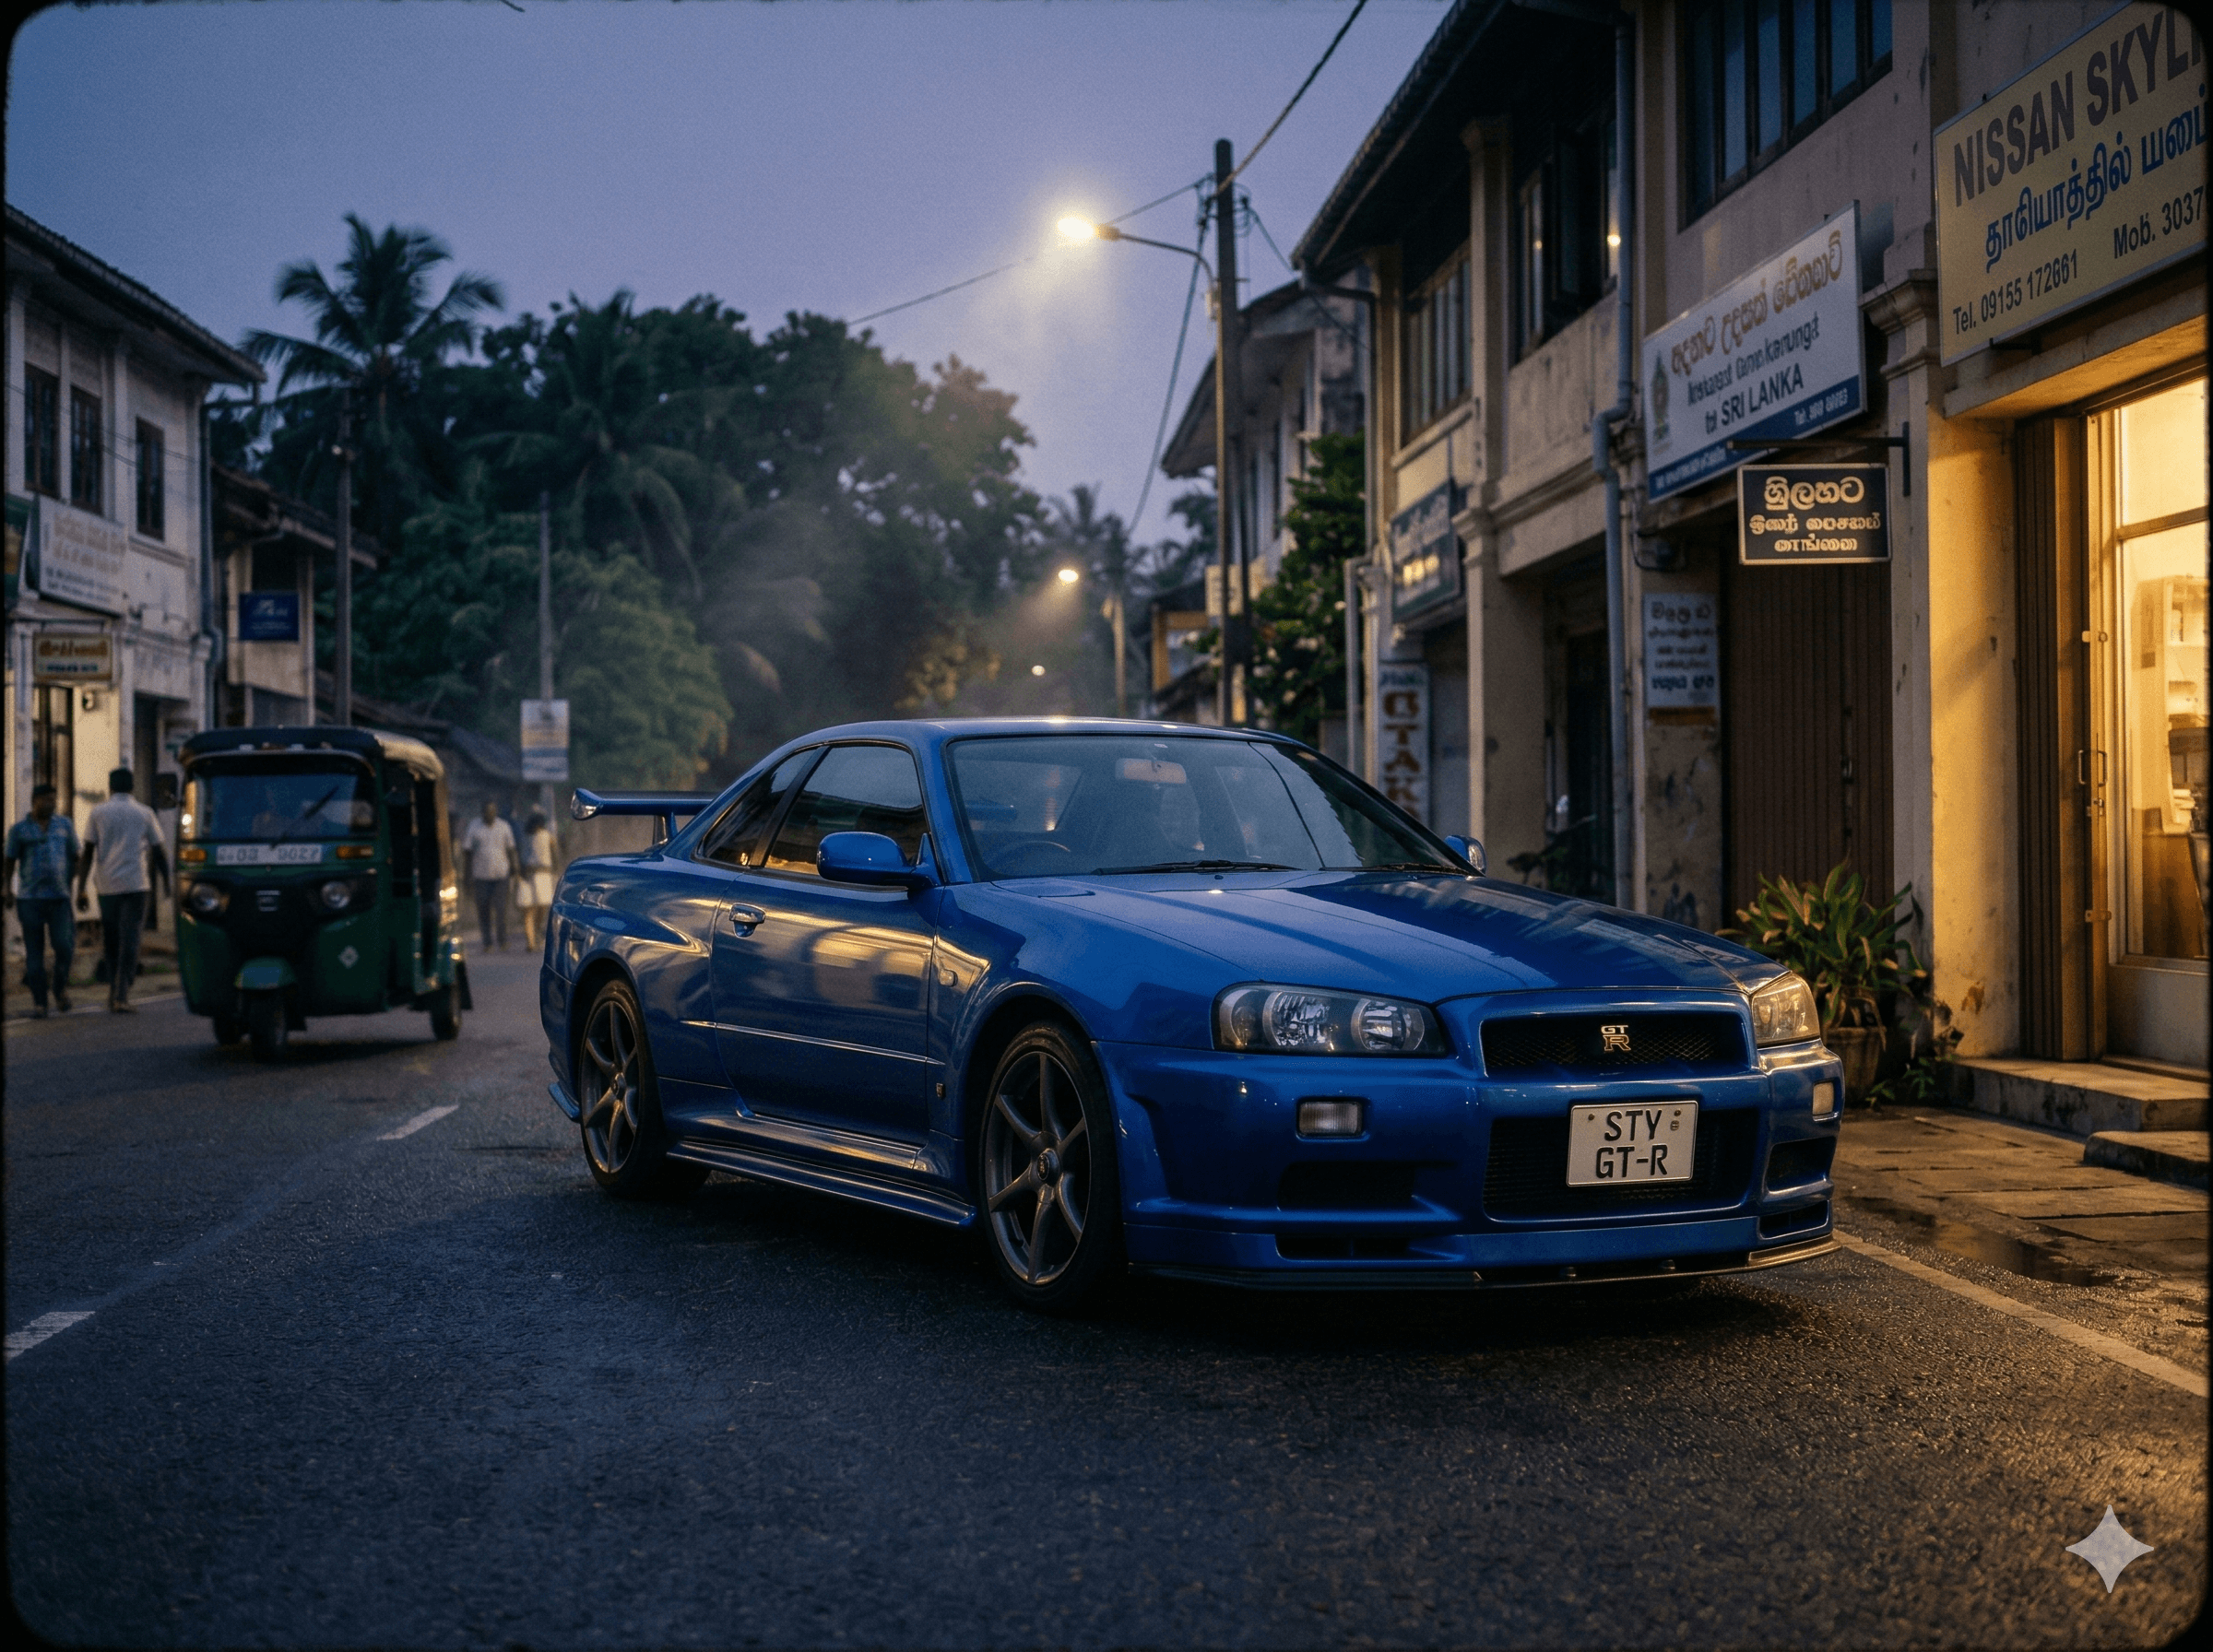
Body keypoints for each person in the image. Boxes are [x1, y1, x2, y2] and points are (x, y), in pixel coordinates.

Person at [76, 767, 170, 1014]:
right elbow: (159, 852)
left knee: (112, 940)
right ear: (132, 787)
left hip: (107, 887)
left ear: (110, 786)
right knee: (131, 940)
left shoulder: (98, 812)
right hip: (136, 885)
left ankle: (114, 992)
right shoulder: (145, 813)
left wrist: (81, 888)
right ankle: (121, 994)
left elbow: (87, 852)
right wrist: (168, 884)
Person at [5, 784, 82, 1018]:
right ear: (34, 801)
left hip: (59, 898)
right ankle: (40, 1002)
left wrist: (71, 884)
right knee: (34, 954)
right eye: (46, 800)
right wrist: (6, 888)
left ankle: (59, 989)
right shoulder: (19, 830)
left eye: (53, 800)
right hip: (30, 899)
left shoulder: (64, 825)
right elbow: (9, 861)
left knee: (64, 947)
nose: (51, 804)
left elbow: (75, 856)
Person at [459, 799, 518, 951]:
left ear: (496, 812)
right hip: (480, 876)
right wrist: (466, 878)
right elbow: (467, 853)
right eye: (487, 812)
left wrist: (515, 870)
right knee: (483, 910)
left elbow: (511, 850)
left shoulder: (504, 827)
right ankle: (487, 942)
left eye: (492, 811)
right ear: (482, 813)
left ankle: (502, 940)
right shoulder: (474, 827)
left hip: (501, 876)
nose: (490, 814)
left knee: (500, 910)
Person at [515, 809, 558, 953]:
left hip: (543, 874)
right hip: (530, 875)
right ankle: (531, 942)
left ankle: (536, 932)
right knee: (529, 910)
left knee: (541, 908)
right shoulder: (527, 837)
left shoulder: (547, 836)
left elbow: (555, 854)